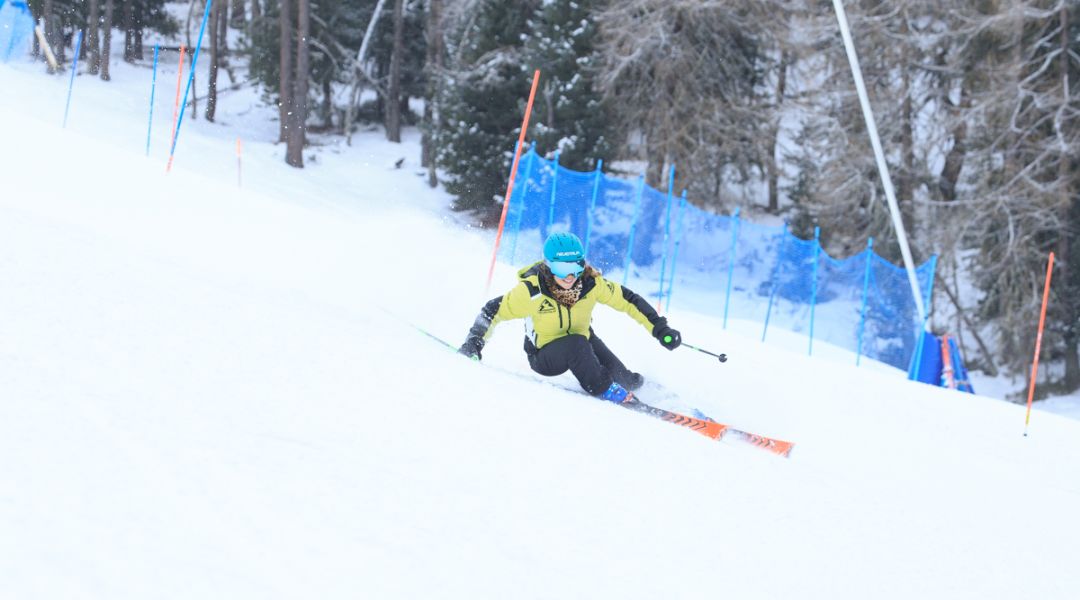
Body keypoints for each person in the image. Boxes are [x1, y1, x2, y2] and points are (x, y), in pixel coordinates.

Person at [458, 232, 682, 404]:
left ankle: (630, 384)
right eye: (561, 267)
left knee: (620, 375)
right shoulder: (532, 291)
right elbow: (492, 311)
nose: (569, 276)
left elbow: (629, 300)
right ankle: (603, 388)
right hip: (545, 355)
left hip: (582, 340)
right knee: (576, 345)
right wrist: (474, 342)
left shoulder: (591, 284)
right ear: (548, 265)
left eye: (575, 267)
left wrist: (661, 330)